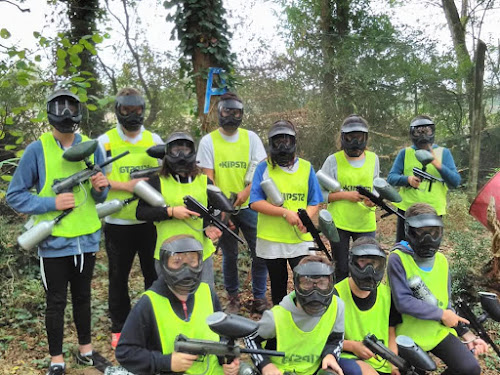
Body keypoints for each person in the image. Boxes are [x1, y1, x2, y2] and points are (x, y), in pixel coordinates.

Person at [6, 89, 111, 375]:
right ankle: (56, 359)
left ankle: (86, 352)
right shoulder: (37, 149)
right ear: (51, 111)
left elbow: (100, 196)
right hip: (53, 242)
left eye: (71, 107)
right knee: (56, 302)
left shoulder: (91, 146)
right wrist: (51, 203)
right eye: (60, 107)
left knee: (84, 298)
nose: (65, 113)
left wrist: (102, 187)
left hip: (86, 239)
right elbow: (14, 195)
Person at [115, 235, 240, 375]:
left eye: (192, 261)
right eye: (177, 261)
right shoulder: (149, 303)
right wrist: (166, 362)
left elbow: (223, 336)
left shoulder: (207, 292)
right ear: (164, 263)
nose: (185, 269)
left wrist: (226, 361)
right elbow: (125, 352)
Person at [387, 203, 488, 375]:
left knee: (469, 369)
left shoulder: (441, 260)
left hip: (438, 331)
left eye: (433, 231)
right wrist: (442, 314)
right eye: (421, 231)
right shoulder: (397, 258)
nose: (428, 238)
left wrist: (467, 335)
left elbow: (446, 304)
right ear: (409, 230)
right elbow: (403, 302)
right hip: (408, 335)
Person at [97, 87, 163, 348]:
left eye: (137, 110)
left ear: (143, 110)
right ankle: (119, 327)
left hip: (148, 220)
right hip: (118, 221)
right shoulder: (105, 142)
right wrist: (130, 186)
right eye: (127, 110)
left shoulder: (153, 139)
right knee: (118, 276)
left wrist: (149, 185)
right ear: (118, 110)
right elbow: (99, 182)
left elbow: (162, 176)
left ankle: (152, 321)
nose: (132, 115)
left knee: (153, 275)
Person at [197, 92, 268, 314]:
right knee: (229, 255)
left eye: (236, 112)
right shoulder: (208, 141)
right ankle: (233, 299)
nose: (232, 116)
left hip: (249, 206)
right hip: (222, 208)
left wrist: (247, 192)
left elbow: (261, 170)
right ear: (219, 111)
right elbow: (208, 179)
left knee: (261, 253)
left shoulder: (251, 138)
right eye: (228, 111)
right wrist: (222, 209)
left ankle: (259, 298)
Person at [250, 120, 324, 305]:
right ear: (271, 143)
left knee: (308, 281)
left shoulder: (306, 167)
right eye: (277, 141)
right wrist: (284, 213)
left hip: (300, 238)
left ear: (294, 142)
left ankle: (306, 319)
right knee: (278, 286)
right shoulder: (263, 167)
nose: (283, 146)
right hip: (272, 239)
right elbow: (255, 202)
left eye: (287, 141)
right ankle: (281, 325)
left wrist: (305, 217)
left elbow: (315, 200)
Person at [136, 131, 222, 286]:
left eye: (185, 149)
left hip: (200, 254)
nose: (181, 155)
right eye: (176, 150)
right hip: (168, 254)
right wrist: (170, 212)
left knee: (204, 300)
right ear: (167, 153)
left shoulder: (204, 181)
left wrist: (212, 225)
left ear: (193, 152)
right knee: (170, 303)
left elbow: (216, 209)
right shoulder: (157, 182)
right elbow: (141, 212)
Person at [248, 256, 348, 375]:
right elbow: (251, 338)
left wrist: (330, 355)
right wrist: (266, 366)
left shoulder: (337, 306)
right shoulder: (277, 317)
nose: (314, 292)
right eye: (307, 283)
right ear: (296, 284)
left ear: (331, 284)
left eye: (322, 283)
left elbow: (336, 339)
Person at [318, 115, 380, 282]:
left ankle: (364, 301)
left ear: (365, 137)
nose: (355, 141)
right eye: (350, 137)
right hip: (339, 223)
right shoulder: (333, 161)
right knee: (341, 268)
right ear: (343, 137)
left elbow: (376, 188)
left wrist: (372, 200)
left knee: (367, 264)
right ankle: (341, 303)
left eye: (359, 137)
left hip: (365, 221)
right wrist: (345, 195)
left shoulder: (373, 159)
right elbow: (319, 194)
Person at [387, 115, 461, 242]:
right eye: (418, 131)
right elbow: (391, 178)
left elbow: (455, 181)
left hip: (433, 210)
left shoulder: (444, 153)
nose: (422, 135)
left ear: (432, 131)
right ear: (412, 133)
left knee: (429, 247)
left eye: (426, 131)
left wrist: (436, 163)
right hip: (407, 210)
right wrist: (408, 180)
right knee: (404, 247)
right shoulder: (405, 153)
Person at [335, 237, 400, 375]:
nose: (369, 270)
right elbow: (322, 338)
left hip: (380, 362)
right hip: (347, 356)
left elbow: (391, 333)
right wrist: (352, 346)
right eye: (363, 262)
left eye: (374, 263)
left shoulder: (387, 294)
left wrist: (394, 365)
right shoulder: (336, 294)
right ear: (352, 262)